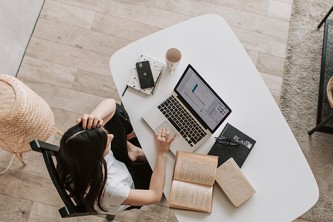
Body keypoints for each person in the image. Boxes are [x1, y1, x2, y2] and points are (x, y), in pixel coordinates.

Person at [56, 98, 176, 214]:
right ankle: (134, 152)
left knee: (117, 113)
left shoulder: (73, 149)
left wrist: (95, 116)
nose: (111, 137)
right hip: (132, 183)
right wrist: (162, 153)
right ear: (97, 158)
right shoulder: (112, 190)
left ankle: (132, 152)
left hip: (115, 166)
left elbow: (111, 104)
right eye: (106, 142)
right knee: (171, 167)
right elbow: (154, 195)